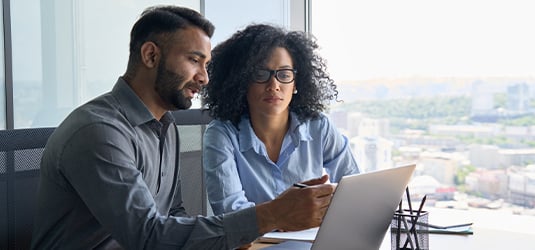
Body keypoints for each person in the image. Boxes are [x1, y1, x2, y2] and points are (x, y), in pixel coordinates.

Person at [31, 6, 335, 250]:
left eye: (206, 64)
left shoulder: (165, 126)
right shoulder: (99, 132)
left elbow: (172, 216)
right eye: (194, 60)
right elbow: (147, 236)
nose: (204, 77)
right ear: (150, 55)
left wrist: (230, 238)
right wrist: (271, 215)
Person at [202, 24, 360, 215]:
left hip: (312, 241)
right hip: (253, 244)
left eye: (284, 75)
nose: (274, 85)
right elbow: (231, 213)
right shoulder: (221, 134)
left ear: (295, 84)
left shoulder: (319, 126)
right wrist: (285, 215)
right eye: (261, 74)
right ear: (242, 81)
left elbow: (354, 187)